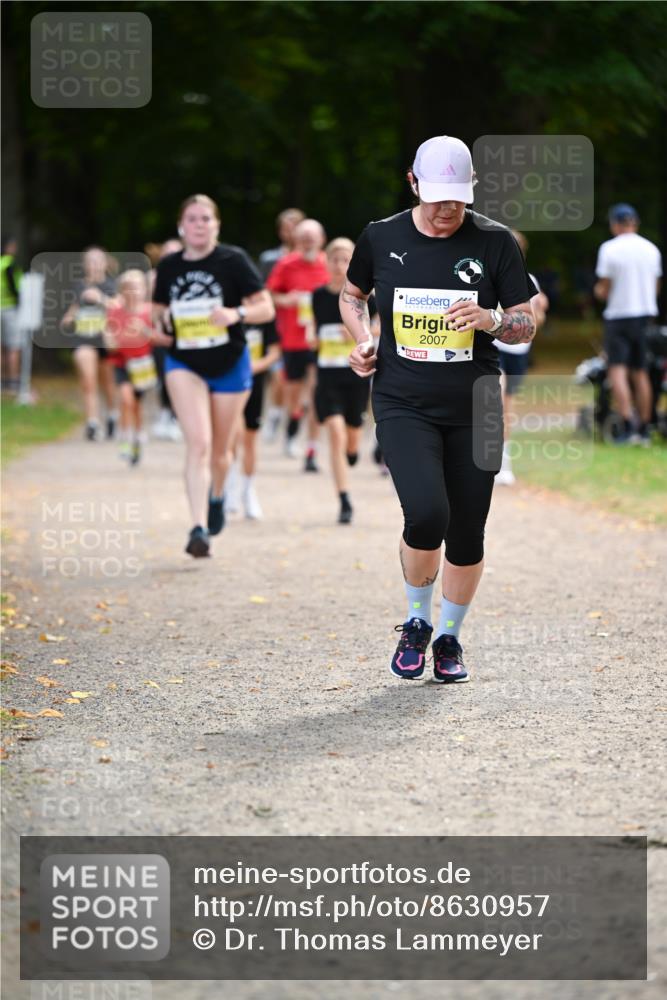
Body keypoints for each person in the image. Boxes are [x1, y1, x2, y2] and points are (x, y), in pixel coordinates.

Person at [340, 135, 536, 684]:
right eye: (436, 197)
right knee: (427, 514)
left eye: (458, 197)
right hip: (403, 400)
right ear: (413, 183)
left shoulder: (495, 241)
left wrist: (491, 319)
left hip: (478, 404)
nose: (447, 209)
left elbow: (525, 323)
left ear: (472, 187)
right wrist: (363, 340)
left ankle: (449, 637)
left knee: (468, 531)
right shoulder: (381, 236)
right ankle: (416, 622)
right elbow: (352, 295)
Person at [152, 193, 274, 558]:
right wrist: (161, 320)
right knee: (199, 444)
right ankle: (198, 527)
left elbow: (266, 309)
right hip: (184, 362)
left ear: (216, 225)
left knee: (221, 451)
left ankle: (217, 495)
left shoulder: (233, 260)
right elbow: (157, 310)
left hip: (230, 362)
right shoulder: (170, 265)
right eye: (192, 218)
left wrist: (236, 314)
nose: (199, 225)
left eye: (206, 218)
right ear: (181, 226)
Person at [313, 238, 377, 524]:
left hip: (356, 376)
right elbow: (312, 328)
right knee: (335, 434)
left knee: (351, 436)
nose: (339, 265)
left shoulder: (365, 297)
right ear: (326, 262)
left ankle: (353, 449)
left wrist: (357, 332)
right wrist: (314, 338)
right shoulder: (317, 296)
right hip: (327, 377)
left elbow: (379, 327)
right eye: (334, 259)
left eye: (345, 260)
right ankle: (344, 498)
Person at [594, 203, 662, 446]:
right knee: (641, 372)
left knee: (617, 370)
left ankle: (626, 424)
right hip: (644, 316)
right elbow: (656, 286)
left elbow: (605, 287)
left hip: (619, 316)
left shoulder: (609, 249)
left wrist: (598, 292)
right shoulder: (651, 249)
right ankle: (644, 428)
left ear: (615, 224)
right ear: (635, 223)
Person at [267, 218, 330, 470]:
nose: (308, 243)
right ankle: (292, 427)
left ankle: (311, 450)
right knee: (293, 396)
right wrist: (286, 300)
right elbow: (269, 294)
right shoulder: (286, 264)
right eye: (303, 239)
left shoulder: (329, 264)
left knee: (316, 394)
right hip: (293, 339)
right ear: (296, 240)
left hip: (320, 341)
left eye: (312, 239)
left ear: (321, 240)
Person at [494, 230, 549, 485]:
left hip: (518, 352)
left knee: (508, 408)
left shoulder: (530, 281)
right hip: (495, 348)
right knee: (495, 402)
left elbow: (537, 323)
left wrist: (538, 312)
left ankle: (504, 462)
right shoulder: (491, 276)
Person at [60, 247, 119, 440]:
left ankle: (112, 415)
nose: (94, 265)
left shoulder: (113, 285)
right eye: (90, 261)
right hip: (83, 338)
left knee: (108, 383)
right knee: (88, 381)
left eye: (98, 260)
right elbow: (74, 308)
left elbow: (120, 309)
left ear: (105, 263)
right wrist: (68, 318)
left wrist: (100, 299)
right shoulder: (78, 286)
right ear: (85, 265)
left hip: (106, 341)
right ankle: (92, 423)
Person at [226, 319, 281, 519]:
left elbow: (274, 352)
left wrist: (255, 366)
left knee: (250, 439)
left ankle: (248, 491)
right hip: (229, 381)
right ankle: (230, 487)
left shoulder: (265, 316)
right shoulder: (229, 312)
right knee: (233, 434)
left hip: (254, 381)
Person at [106, 269, 158, 466]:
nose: (132, 292)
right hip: (122, 362)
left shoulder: (149, 311)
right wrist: (113, 340)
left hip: (142, 365)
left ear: (144, 290)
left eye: (136, 288)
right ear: (121, 291)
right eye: (127, 288)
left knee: (136, 404)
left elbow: (157, 338)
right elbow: (109, 337)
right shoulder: (115, 312)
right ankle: (125, 437)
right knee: (126, 399)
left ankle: (137, 435)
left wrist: (144, 330)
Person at [148, 238, 184, 442]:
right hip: (160, 334)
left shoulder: (188, 275)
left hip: (185, 335)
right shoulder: (153, 277)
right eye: (167, 251)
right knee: (164, 376)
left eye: (175, 251)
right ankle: (165, 412)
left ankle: (177, 416)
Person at [0, 237, 23, 394]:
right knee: (14, 346)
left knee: (1, 347)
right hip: (10, 309)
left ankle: (2, 381)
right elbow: (14, 287)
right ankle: (13, 381)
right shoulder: (10, 264)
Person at [258, 207, 305, 281]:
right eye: (287, 229)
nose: (292, 233)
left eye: (295, 228)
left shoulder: (316, 260)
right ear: (280, 232)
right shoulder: (269, 259)